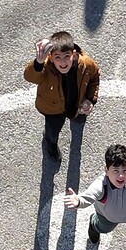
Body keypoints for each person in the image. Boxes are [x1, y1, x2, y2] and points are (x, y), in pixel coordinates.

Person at [24, 31, 101, 166]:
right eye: (57, 57)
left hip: (76, 105)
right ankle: (51, 144)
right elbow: (30, 77)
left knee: (78, 118)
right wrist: (38, 62)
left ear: (74, 54)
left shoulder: (86, 64)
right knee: (52, 132)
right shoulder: (46, 67)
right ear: (51, 57)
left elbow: (95, 77)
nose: (63, 62)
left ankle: (75, 118)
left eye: (67, 56)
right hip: (53, 110)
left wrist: (90, 99)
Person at [64, 144, 126, 244]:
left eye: (125, 170)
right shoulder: (101, 184)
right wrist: (79, 201)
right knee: (102, 228)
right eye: (115, 170)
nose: (121, 176)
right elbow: (90, 195)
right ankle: (93, 223)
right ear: (106, 171)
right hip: (108, 218)